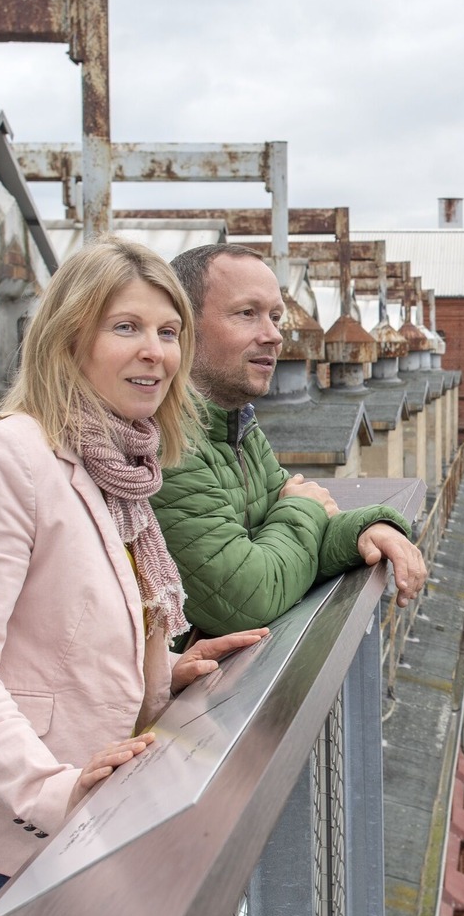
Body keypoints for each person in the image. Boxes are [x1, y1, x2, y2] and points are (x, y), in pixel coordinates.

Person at [0, 239, 267, 916]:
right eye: (127, 328)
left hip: (62, 849)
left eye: (169, 332)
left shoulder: (123, 468)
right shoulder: (4, 458)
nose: (155, 352)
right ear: (69, 338)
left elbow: (62, 633)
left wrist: (164, 672)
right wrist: (51, 789)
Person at [152, 243, 426, 636]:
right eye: (247, 314)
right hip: (193, 696)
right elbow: (249, 597)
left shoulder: (236, 425)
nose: (274, 336)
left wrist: (368, 529)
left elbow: (294, 529)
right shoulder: (167, 442)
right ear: (181, 326)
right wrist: (302, 508)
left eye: (275, 317)